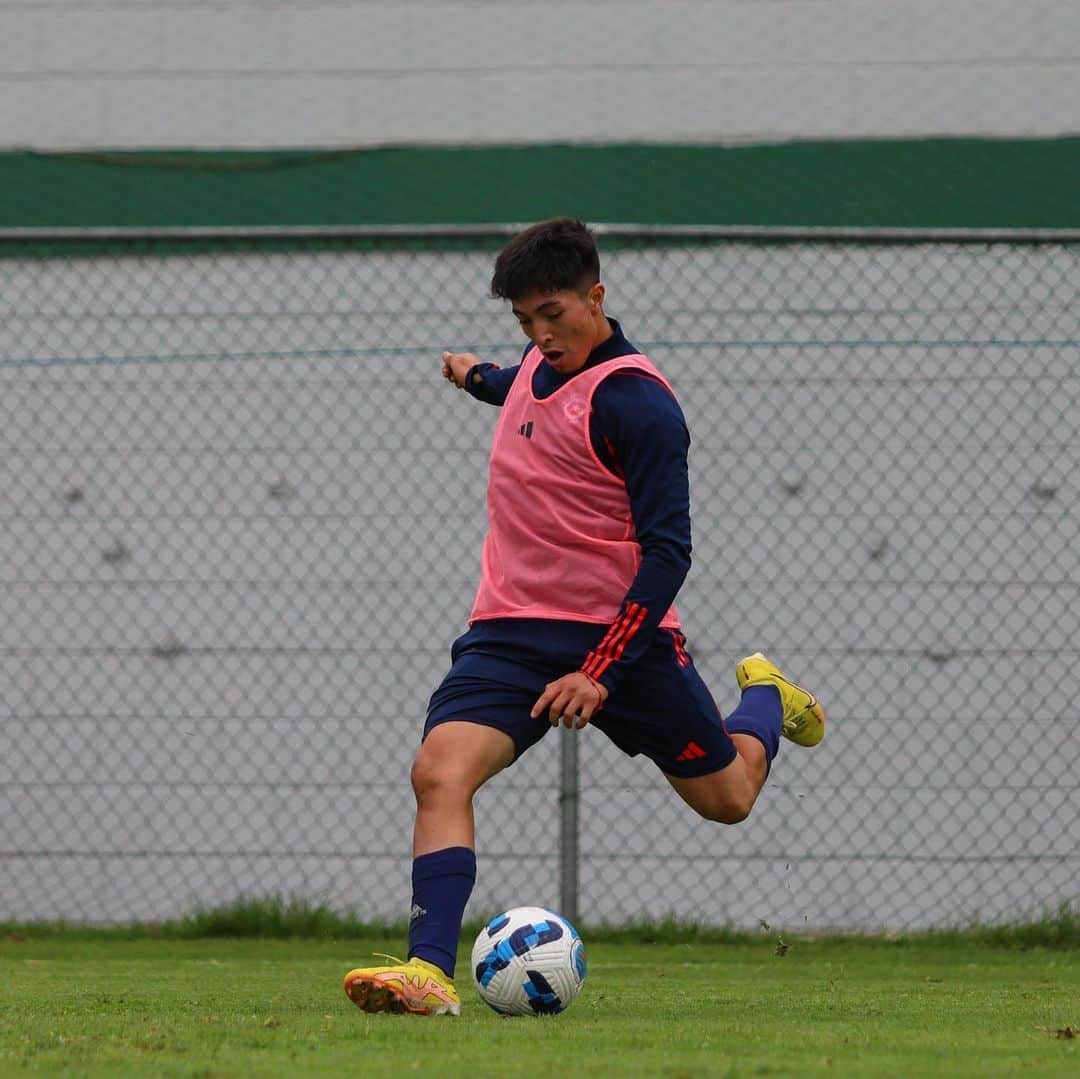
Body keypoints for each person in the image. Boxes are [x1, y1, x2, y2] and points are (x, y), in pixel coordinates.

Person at [343, 218, 825, 1016]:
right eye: (524, 320)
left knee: (729, 798)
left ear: (596, 297)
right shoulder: (539, 358)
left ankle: (767, 691)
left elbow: (669, 554)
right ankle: (427, 971)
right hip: (506, 632)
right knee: (437, 771)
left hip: (618, 644)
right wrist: (472, 376)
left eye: (553, 313)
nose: (540, 333)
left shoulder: (640, 405)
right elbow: (519, 382)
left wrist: (598, 670)